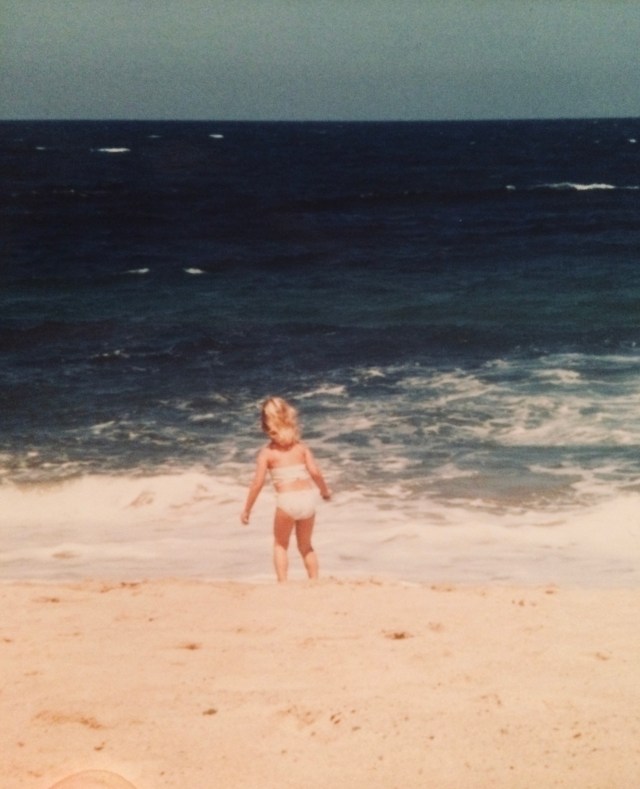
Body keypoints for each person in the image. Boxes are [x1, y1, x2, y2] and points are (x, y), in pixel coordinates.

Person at [241, 397, 331, 582]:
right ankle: (314, 581)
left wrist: (247, 509)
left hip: (287, 501)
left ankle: (283, 584)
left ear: (266, 424)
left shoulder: (267, 453)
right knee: (306, 546)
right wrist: (324, 491)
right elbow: (315, 472)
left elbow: (257, 483)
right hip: (307, 499)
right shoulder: (301, 448)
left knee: (281, 544)